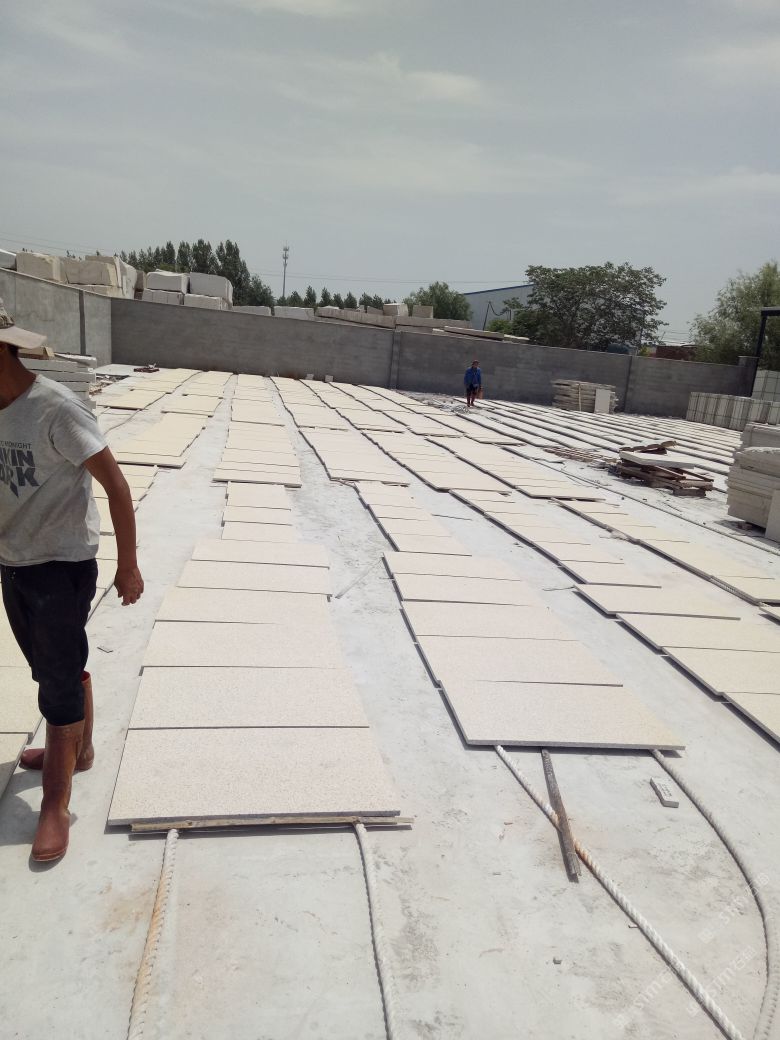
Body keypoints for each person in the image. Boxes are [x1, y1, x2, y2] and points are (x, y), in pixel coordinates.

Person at [0, 301, 144, 862]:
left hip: (61, 566)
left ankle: (55, 806)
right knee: (48, 666)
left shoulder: (57, 409)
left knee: (56, 683)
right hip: (14, 561)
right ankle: (77, 751)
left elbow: (117, 486)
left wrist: (127, 566)